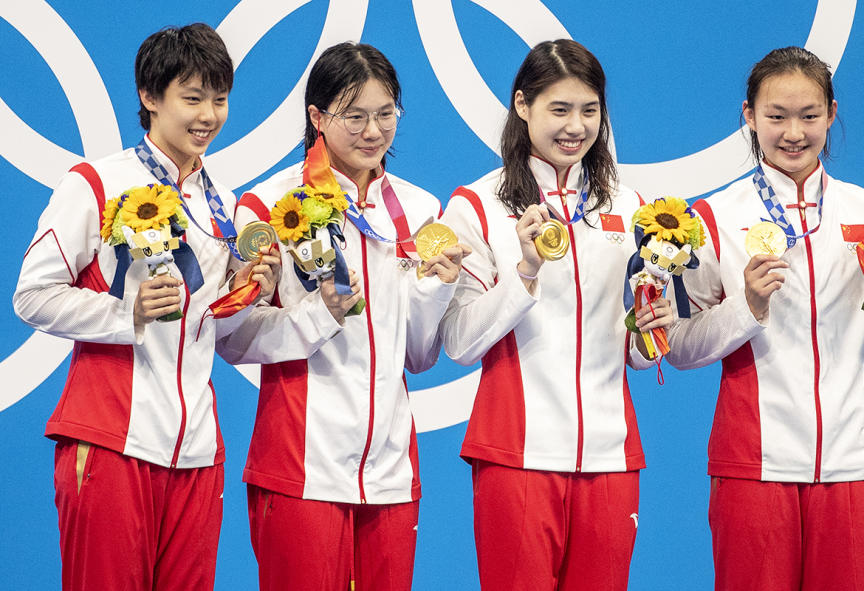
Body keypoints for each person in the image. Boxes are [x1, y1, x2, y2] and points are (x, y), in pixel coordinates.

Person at [13, 23, 282, 590]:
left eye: (219, 98)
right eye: (192, 98)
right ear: (149, 97)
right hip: (111, 439)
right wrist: (124, 315)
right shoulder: (96, 183)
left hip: (197, 454)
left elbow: (215, 328)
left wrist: (249, 288)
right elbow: (32, 295)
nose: (208, 114)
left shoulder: (225, 208)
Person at [663, 46, 864, 591]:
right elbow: (679, 347)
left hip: (849, 466)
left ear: (831, 113)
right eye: (776, 116)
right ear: (749, 116)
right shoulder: (713, 217)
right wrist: (746, 308)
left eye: (809, 115)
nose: (793, 132)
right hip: (753, 467)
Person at [216, 42, 469, 591]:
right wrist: (317, 316)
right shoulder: (268, 207)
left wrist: (435, 291)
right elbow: (232, 340)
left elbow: (419, 356)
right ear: (318, 117)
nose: (373, 132)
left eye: (386, 114)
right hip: (299, 465)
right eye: (355, 116)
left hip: (391, 471)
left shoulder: (421, 212)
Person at [438, 39, 673, 590]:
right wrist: (523, 273)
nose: (575, 127)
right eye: (559, 109)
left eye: (589, 111)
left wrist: (648, 333)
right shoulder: (477, 205)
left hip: (610, 457)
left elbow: (634, 348)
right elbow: (458, 341)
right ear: (522, 106)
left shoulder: (632, 208)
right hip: (516, 454)